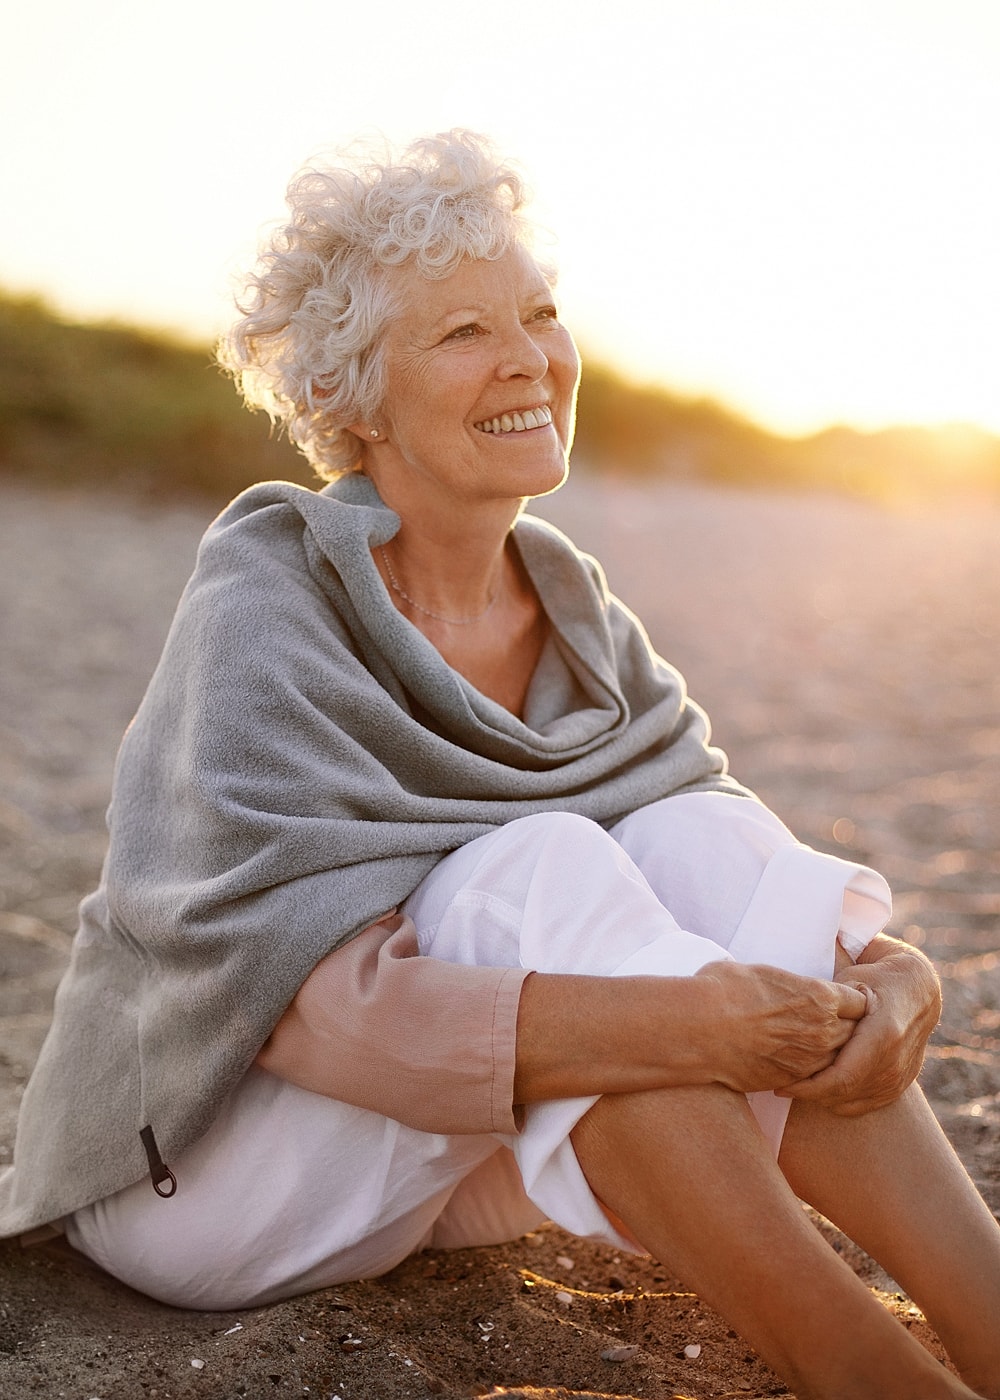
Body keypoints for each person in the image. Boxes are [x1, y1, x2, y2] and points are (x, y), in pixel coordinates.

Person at [2, 130, 999, 1400]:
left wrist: (893, 981)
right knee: (531, 865)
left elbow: (734, 867)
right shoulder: (268, 603)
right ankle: (865, 1371)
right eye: (463, 332)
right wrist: (695, 1020)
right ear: (355, 398)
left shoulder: (573, 606)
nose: (530, 357)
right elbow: (318, 1017)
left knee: (690, 835)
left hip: (441, 1152)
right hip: (203, 1168)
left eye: (538, 313)